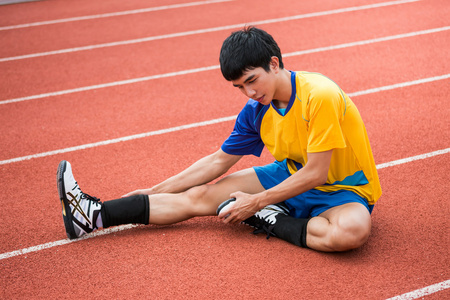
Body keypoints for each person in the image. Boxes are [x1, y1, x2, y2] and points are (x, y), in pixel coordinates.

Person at [57, 26, 381, 252]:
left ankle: (270, 220)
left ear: (274, 63)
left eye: (252, 81)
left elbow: (317, 173)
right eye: (240, 86)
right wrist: (150, 192)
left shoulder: (319, 95)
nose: (250, 92)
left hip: (343, 189)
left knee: (351, 233)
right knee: (200, 197)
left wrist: (256, 203)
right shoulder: (256, 110)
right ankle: (92, 214)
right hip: (289, 176)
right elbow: (216, 162)